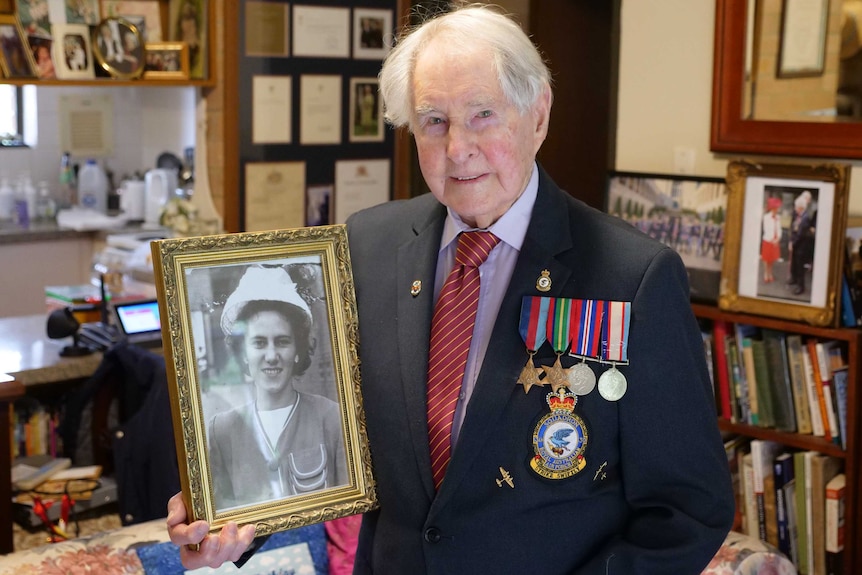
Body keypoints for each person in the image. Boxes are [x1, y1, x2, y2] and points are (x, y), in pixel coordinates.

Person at [167, 5, 734, 573]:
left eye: (483, 114)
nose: (457, 147)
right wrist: (237, 522)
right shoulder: (367, 246)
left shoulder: (631, 276)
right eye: (433, 120)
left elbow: (688, 510)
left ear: (537, 116)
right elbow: (327, 432)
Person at [206, 265, 347, 511]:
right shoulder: (222, 429)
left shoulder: (332, 418)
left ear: (297, 351)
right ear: (244, 353)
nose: (271, 356)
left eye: (282, 342)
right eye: (259, 343)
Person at [787, 191, 816, 296]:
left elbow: (800, 234)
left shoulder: (805, 219)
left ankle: (801, 287)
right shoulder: (799, 215)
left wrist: (792, 243)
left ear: (800, 208)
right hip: (796, 244)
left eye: (796, 207)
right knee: (794, 264)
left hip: (801, 246)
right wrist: (791, 241)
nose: (794, 209)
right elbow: (794, 228)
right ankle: (794, 279)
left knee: (800, 267)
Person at [761, 196, 783, 284]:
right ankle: (766, 274)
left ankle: (770, 273)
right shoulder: (766, 217)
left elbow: (779, 229)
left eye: (777, 208)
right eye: (776, 208)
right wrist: (772, 240)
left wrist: (778, 238)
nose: (777, 209)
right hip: (768, 240)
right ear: (772, 208)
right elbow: (766, 229)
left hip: (775, 241)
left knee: (772, 259)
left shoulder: (778, 217)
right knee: (766, 259)